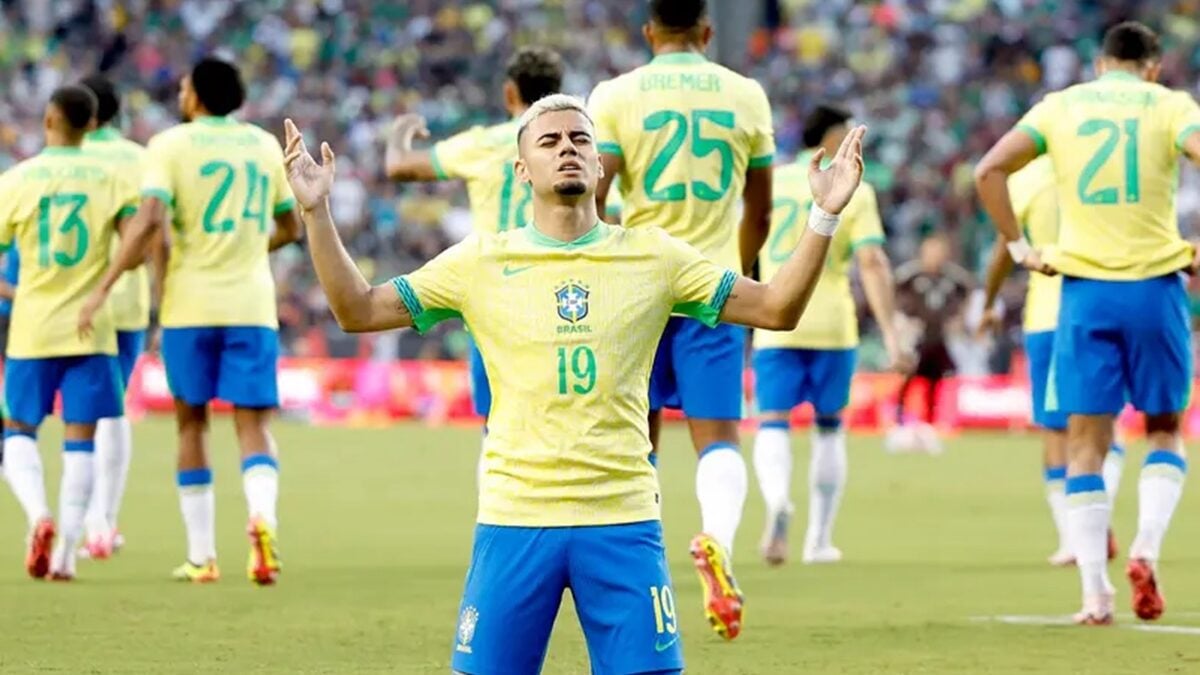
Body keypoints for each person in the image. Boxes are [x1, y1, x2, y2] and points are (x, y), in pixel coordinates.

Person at [282, 96, 864, 673]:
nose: (568, 148)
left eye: (581, 139)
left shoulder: (654, 257)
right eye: (551, 140)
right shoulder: (478, 262)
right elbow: (359, 310)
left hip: (623, 520)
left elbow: (777, 308)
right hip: (514, 520)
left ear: (600, 164)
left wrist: (824, 216)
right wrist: (315, 212)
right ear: (521, 169)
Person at [974, 21, 1200, 624]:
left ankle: (1095, 595)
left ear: (1100, 64)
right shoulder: (1171, 105)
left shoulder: (1061, 107)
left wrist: (1019, 248)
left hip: (1083, 293)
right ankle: (1146, 546)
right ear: (1152, 67)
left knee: (1084, 444)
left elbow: (987, 171)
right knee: (1163, 430)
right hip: (1155, 287)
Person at [588, 0, 775, 638]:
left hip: (639, 281)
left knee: (634, 434)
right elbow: (760, 209)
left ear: (648, 33)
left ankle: (634, 566)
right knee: (717, 435)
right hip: (713, 283)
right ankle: (716, 538)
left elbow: (595, 195)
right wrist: (741, 268)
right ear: (707, 31)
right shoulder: (746, 94)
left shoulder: (615, 95)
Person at [81, 57, 303, 585]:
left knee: (191, 424)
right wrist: (248, 249)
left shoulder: (169, 146)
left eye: (183, 87)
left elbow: (149, 222)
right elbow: (291, 226)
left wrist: (106, 285)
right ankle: (262, 520)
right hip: (251, 306)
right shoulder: (263, 145)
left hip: (189, 306)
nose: (180, 94)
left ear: (197, 96)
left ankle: (202, 557)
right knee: (253, 426)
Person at [384, 46, 564, 480]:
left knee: (495, 427)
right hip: (556, 292)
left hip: (494, 297)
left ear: (509, 93)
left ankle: (498, 515)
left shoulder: (483, 143)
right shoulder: (570, 145)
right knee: (560, 418)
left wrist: (400, 133)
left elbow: (400, 167)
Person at [751, 104, 910, 566]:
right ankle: (818, 540)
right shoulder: (853, 185)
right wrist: (892, 333)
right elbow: (872, 262)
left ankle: (777, 500)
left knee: (772, 422)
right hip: (831, 323)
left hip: (774, 315)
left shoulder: (771, 182)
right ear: (832, 137)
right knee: (829, 429)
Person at [0, 85, 138, 580]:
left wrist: (16, 293)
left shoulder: (18, 179)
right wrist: (102, 288)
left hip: (33, 327)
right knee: (81, 438)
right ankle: (65, 557)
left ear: (49, 120)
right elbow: (136, 245)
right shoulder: (110, 180)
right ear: (92, 124)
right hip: (90, 329)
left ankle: (39, 516)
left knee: (18, 429)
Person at [978, 156, 1124, 567]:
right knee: (1103, 423)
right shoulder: (1102, 166)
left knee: (1056, 432)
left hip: (1047, 315)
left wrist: (988, 301)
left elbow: (1004, 248)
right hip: (1101, 306)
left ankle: (1072, 538)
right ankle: (1098, 516)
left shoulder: (1028, 179)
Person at [76, 73, 151, 560]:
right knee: (114, 406)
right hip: (126, 301)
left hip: (69, 300)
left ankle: (82, 522)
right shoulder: (142, 159)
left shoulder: (66, 157)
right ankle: (104, 520)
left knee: (80, 414)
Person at [891, 233, 973, 452]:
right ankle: (899, 424)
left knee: (935, 382)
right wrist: (902, 321)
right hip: (915, 336)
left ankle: (928, 427)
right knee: (907, 378)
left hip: (939, 337)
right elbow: (892, 292)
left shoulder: (953, 277)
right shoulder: (910, 275)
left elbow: (968, 291)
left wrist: (958, 318)